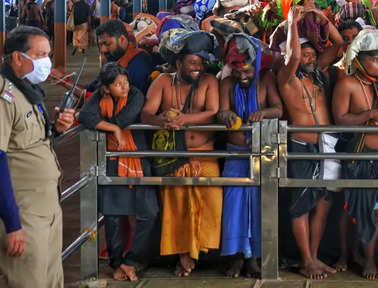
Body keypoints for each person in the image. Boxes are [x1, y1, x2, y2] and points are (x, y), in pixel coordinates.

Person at [140, 30, 222, 277]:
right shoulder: (163, 81)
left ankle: (201, 254)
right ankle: (183, 256)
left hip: (204, 156)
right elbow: (146, 113)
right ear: (179, 63)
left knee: (210, 205)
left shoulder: (209, 81)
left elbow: (213, 111)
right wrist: (161, 121)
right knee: (176, 208)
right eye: (192, 63)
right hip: (174, 157)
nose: (198, 67)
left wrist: (184, 119)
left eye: (200, 63)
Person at [0, 26, 75, 288]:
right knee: (27, 280)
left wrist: (56, 128)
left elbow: (29, 143)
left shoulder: (28, 91)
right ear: (18, 57)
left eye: (48, 54)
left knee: (51, 279)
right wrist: (12, 224)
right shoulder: (4, 96)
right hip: (23, 212)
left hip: (48, 207)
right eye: (40, 54)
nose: (47, 61)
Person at [276, 6, 343, 280]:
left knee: (324, 203)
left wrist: (321, 16)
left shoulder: (320, 75)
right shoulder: (287, 78)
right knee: (301, 204)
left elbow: (339, 44)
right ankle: (305, 259)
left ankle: (314, 256)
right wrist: (293, 21)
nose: (310, 57)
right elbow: (291, 57)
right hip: (302, 145)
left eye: (312, 54)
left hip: (327, 144)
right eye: (305, 54)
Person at [77, 63, 159, 282]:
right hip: (113, 159)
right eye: (117, 84)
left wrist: (105, 124)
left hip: (139, 159)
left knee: (149, 212)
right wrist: (113, 129)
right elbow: (85, 116)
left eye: (125, 82)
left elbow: (126, 118)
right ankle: (116, 262)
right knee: (112, 216)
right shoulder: (99, 97)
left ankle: (131, 260)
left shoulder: (136, 94)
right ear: (105, 88)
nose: (124, 87)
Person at [331, 29, 378, 280]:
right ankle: (358, 258)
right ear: (360, 60)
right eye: (375, 59)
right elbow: (340, 119)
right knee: (358, 210)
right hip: (360, 157)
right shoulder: (347, 84)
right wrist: (369, 115)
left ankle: (371, 256)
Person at [217, 32, 282, 278]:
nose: (242, 77)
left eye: (246, 71)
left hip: (261, 154)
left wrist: (263, 113)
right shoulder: (226, 83)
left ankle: (253, 258)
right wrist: (225, 115)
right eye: (237, 72)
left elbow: (279, 109)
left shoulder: (266, 79)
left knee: (257, 204)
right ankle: (235, 258)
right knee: (233, 205)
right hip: (236, 154)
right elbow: (222, 110)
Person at [95, 19, 154, 94]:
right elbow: (94, 85)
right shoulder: (115, 57)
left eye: (107, 44)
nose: (102, 50)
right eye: (100, 45)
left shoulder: (139, 64)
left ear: (122, 39)